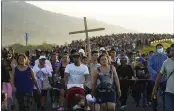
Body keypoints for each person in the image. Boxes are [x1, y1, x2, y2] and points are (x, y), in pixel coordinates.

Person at [152, 44, 174, 111]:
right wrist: (155, 88)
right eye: (173, 50)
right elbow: (160, 75)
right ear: (170, 51)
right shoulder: (166, 62)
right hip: (169, 92)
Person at [148, 44, 168, 111]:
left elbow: (168, 67)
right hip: (154, 79)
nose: (160, 49)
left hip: (164, 79)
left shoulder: (166, 57)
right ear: (156, 49)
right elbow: (149, 67)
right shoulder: (152, 57)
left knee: (165, 95)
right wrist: (154, 72)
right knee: (154, 94)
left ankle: (165, 107)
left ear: (163, 49)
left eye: (161, 48)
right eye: (159, 48)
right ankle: (154, 107)